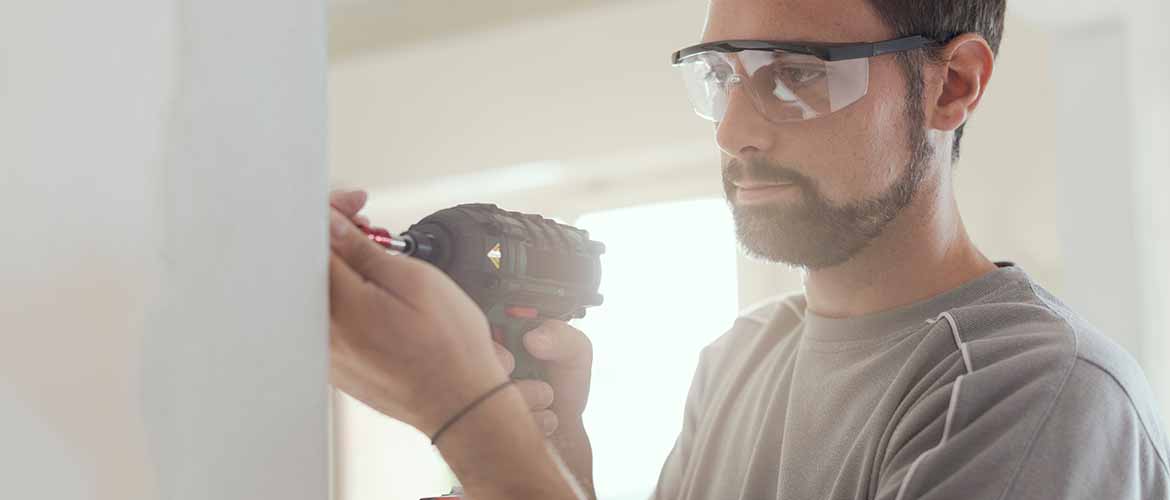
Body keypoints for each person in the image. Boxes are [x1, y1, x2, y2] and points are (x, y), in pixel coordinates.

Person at [326, 0, 1170, 498]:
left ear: (953, 85)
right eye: (721, 75)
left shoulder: (1039, 394)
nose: (734, 128)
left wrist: (468, 421)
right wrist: (550, 465)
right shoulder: (739, 361)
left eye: (798, 72)